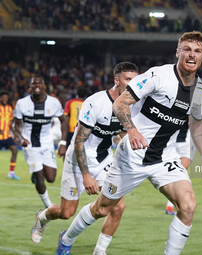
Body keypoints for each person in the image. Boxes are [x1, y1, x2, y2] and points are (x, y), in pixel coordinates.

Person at [55, 31, 202, 255]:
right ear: (177, 52)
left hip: (164, 158)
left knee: (188, 205)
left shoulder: (199, 91)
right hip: (132, 157)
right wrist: (132, 130)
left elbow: (195, 125)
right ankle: (67, 238)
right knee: (102, 209)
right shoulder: (157, 76)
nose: (191, 55)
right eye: (187, 49)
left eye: (197, 51)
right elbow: (120, 103)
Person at [31, 63, 138, 255]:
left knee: (118, 207)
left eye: (135, 80)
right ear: (117, 81)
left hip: (104, 161)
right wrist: (86, 175)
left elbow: (124, 133)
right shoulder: (96, 102)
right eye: (128, 79)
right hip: (78, 160)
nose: (132, 84)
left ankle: (100, 251)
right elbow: (79, 142)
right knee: (66, 213)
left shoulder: (132, 105)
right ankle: (42, 217)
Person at [14, 74, 68, 208]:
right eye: (34, 83)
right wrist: (21, 138)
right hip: (30, 145)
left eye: (39, 83)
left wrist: (62, 143)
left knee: (50, 178)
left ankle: (36, 174)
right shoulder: (22, 103)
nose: (36, 85)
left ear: (44, 86)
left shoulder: (53, 102)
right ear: (30, 86)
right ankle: (48, 206)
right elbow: (15, 125)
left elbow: (64, 121)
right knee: (39, 176)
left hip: (47, 144)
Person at [165, 128, 196, 215]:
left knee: (178, 173)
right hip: (185, 140)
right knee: (180, 173)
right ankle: (171, 206)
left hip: (172, 137)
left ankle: (173, 204)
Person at [0, 90, 20, 180]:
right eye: (3, 97)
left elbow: (10, 122)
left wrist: (14, 134)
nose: (5, 99)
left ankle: (11, 173)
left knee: (15, 150)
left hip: (7, 136)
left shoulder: (9, 108)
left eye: (6, 98)